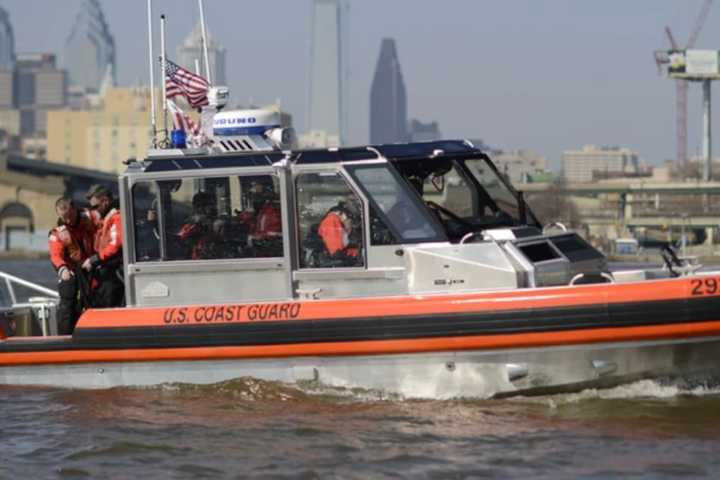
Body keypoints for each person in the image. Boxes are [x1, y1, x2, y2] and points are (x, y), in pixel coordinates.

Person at [47, 197, 97, 334]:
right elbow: (55, 255)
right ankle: (66, 336)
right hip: (73, 271)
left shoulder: (91, 218)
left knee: (102, 293)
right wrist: (62, 269)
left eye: (70, 216)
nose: (68, 220)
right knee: (67, 294)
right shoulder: (58, 233)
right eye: (64, 217)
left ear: (75, 209)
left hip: (94, 265)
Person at [82, 184, 125, 308]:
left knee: (109, 301)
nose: (94, 210)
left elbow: (115, 244)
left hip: (113, 272)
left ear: (105, 201)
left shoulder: (117, 217)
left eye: (95, 207)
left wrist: (95, 259)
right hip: (104, 270)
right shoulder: (106, 218)